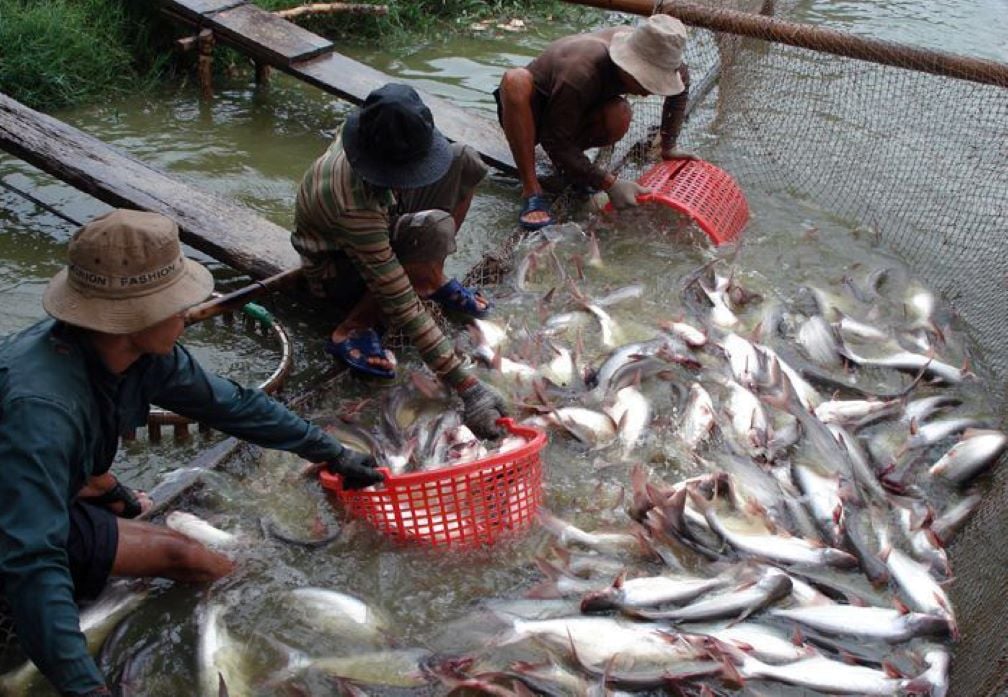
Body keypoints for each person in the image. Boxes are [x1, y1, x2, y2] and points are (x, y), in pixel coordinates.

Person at [0, 209, 385, 696]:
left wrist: (330, 451)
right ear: (129, 320)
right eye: (174, 304)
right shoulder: (43, 407)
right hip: (16, 507)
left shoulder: (141, 354)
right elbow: (33, 559)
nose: (187, 312)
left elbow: (235, 407)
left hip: (38, 470)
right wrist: (85, 688)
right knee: (188, 557)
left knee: (130, 503)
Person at [290, 82, 507, 438]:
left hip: (382, 214)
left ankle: (431, 276)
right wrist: (468, 387)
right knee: (432, 230)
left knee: (465, 159)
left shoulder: (372, 129)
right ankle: (352, 328)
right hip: (337, 267)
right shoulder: (351, 205)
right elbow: (401, 302)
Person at [495, 13, 693, 230]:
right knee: (516, 82)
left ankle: (572, 166)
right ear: (627, 66)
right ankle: (531, 189)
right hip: (535, 117)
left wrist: (669, 145)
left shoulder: (662, 52)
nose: (647, 93)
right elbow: (554, 140)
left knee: (619, 115)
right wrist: (609, 183)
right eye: (645, 83)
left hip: (576, 113)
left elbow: (680, 89)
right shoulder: (581, 70)